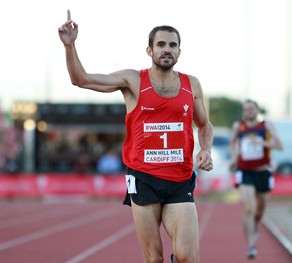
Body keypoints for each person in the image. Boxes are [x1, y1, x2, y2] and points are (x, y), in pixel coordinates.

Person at [58, 10, 214, 263]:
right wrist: (70, 45)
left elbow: (205, 125)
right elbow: (82, 80)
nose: (167, 49)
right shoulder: (133, 80)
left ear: (179, 52)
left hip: (180, 178)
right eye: (161, 44)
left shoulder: (191, 84)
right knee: (154, 259)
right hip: (143, 178)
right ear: (149, 50)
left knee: (188, 257)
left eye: (172, 45)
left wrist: (205, 149)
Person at [229, 99, 283, 259]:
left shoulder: (266, 125)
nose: (249, 112)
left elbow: (280, 145)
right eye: (246, 109)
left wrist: (263, 143)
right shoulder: (238, 126)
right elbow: (233, 144)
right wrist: (233, 159)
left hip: (263, 172)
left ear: (257, 110)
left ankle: (255, 225)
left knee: (260, 211)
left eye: (252, 109)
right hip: (245, 172)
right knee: (249, 209)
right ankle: (251, 246)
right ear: (243, 112)